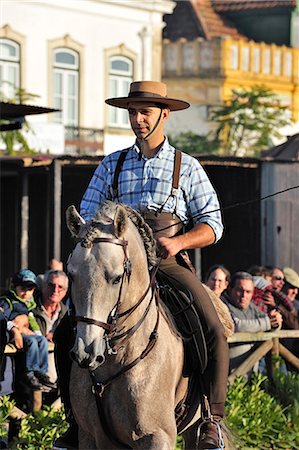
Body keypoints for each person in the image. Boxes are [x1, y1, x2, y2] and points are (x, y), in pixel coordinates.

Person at [62, 80, 229, 448]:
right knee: (66, 327)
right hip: (116, 265)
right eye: (133, 112)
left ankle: (211, 420)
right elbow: (88, 218)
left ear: (164, 115)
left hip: (166, 261)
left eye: (145, 112)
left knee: (213, 327)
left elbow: (213, 224)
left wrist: (179, 241)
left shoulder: (187, 166)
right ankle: (76, 420)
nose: (138, 119)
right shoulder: (112, 163)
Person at [0, 269, 55, 390]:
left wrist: (38, 333)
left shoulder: (28, 303)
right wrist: (14, 330)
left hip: (24, 332)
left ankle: (42, 371)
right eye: (22, 289)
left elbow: (32, 320)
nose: (26, 293)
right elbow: (4, 319)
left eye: (30, 289)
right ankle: (30, 372)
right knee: (32, 342)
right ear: (14, 287)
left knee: (41, 340)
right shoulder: (8, 301)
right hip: (11, 333)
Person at [221, 272, 282, 374]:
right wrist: (268, 322)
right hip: (230, 372)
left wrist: (276, 320)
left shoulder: (251, 306)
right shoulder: (222, 303)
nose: (244, 295)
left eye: (248, 292)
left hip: (253, 369)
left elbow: (270, 323)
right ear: (230, 289)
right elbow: (235, 325)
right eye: (240, 290)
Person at [34, 270, 69, 383]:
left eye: (60, 287)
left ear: (65, 292)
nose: (55, 290)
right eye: (51, 285)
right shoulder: (29, 310)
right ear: (43, 286)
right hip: (32, 383)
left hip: (59, 383)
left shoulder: (68, 316)